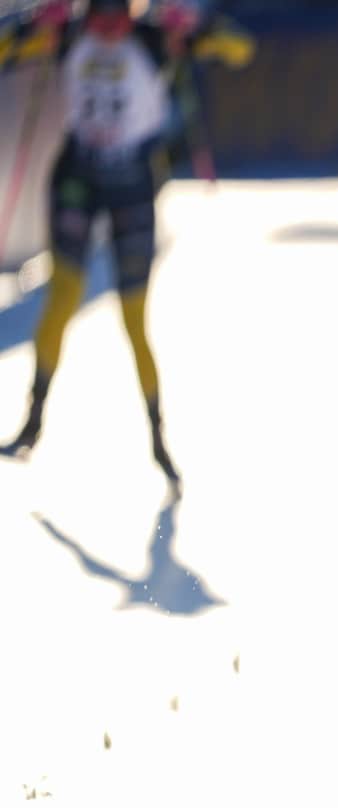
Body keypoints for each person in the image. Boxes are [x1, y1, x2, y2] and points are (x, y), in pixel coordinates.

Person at [0, 0, 253, 492]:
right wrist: (32, 22)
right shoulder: (69, 33)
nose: (110, 28)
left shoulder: (154, 39)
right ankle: (32, 423)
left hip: (132, 183)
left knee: (134, 317)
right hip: (78, 177)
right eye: (101, 16)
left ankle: (158, 439)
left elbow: (240, 49)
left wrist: (200, 25)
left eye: (120, 16)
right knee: (62, 298)